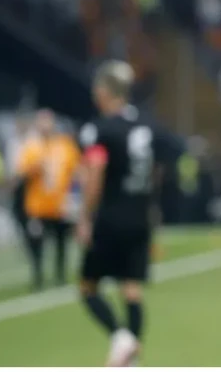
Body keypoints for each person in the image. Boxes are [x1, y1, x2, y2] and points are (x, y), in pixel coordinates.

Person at [77, 61, 180, 367]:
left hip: (110, 215)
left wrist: (85, 216)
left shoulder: (100, 129)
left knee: (88, 286)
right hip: (140, 214)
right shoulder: (147, 126)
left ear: (105, 91)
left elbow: (96, 171)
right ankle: (131, 358)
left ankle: (119, 337)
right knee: (131, 288)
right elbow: (158, 169)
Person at [15, 109, 81, 290]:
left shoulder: (64, 145)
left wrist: (75, 198)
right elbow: (21, 173)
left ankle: (60, 274)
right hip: (37, 206)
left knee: (62, 240)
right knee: (36, 241)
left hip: (60, 204)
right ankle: (38, 275)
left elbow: (76, 172)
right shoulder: (32, 147)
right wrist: (36, 166)